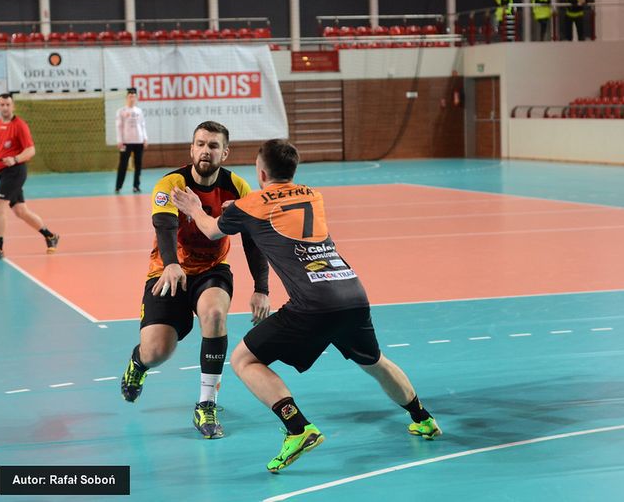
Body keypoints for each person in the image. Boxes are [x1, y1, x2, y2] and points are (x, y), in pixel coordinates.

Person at [171, 139, 441, 472]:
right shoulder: (313, 195)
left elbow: (212, 231)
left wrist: (195, 208)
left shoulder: (250, 205)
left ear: (261, 172)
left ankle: (297, 428)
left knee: (244, 359)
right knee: (374, 361)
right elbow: (277, 212)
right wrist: (239, 209)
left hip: (313, 303)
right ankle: (422, 418)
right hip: (352, 294)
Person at [120, 120, 271, 440]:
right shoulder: (171, 183)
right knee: (158, 351)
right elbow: (164, 225)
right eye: (200, 144)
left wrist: (262, 289)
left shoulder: (238, 188)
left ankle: (206, 404)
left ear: (224, 153)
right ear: (191, 149)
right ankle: (139, 362)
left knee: (215, 314)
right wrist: (171, 265)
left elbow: (254, 242)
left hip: (212, 270)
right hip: (167, 269)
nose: (206, 150)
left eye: (213, 146)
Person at [0, 93, 59, 260]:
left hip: (15, 171)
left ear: (13, 106)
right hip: (3, 173)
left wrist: (15, 159)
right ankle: (50, 236)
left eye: (8, 104)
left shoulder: (20, 125)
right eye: (2, 104)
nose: (5, 107)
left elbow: (31, 150)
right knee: (20, 211)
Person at [115, 87, 148, 193]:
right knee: (123, 165)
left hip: (138, 141)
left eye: (134, 96)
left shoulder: (139, 111)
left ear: (136, 98)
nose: (132, 98)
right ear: (127, 97)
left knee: (138, 165)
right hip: (126, 142)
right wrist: (119, 140)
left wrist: (145, 138)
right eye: (130, 96)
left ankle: (136, 186)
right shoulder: (121, 111)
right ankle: (118, 186)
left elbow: (143, 125)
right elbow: (119, 127)